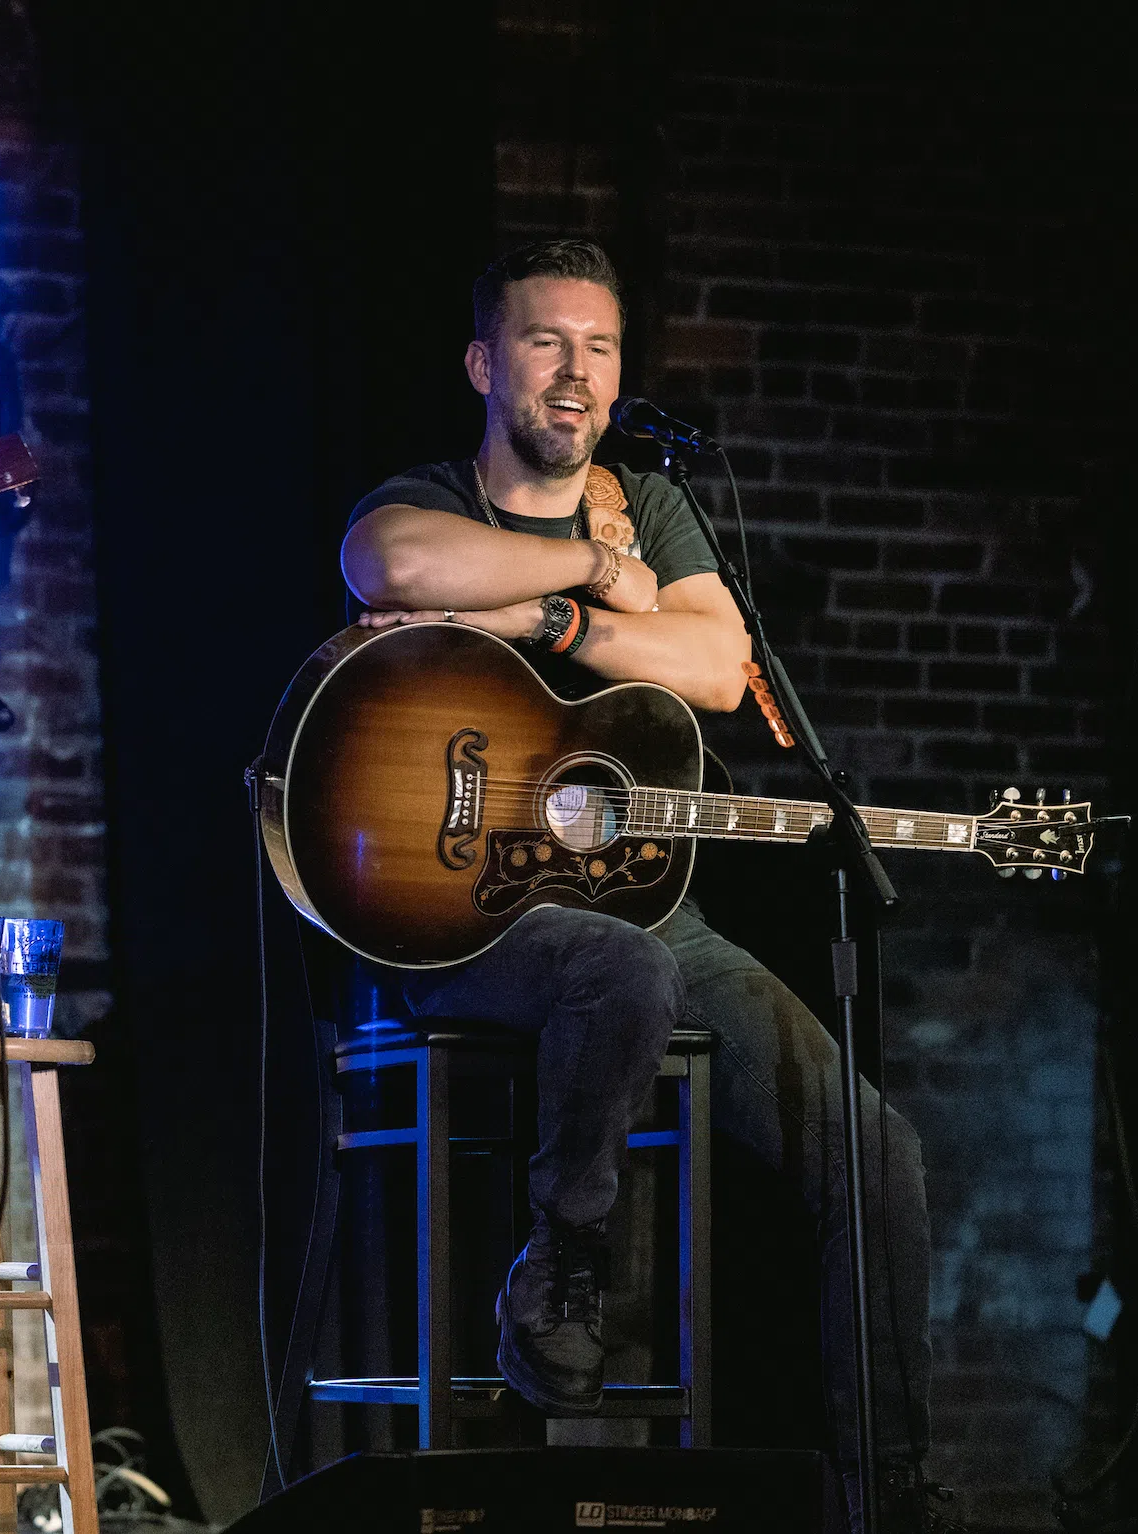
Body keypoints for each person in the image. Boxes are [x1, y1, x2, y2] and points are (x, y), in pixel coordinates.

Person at [339, 240, 954, 1531]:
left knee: (878, 1155)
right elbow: (392, 564)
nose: (576, 373)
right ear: (484, 364)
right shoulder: (440, 494)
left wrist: (543, 622)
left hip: (659, 906)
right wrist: (585, 570)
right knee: (618, 965)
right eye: (546, 342)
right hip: (457, 917)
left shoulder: (655, 508)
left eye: (601, 347)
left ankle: (890, 1493)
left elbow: (720, 670)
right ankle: (561, 1264)